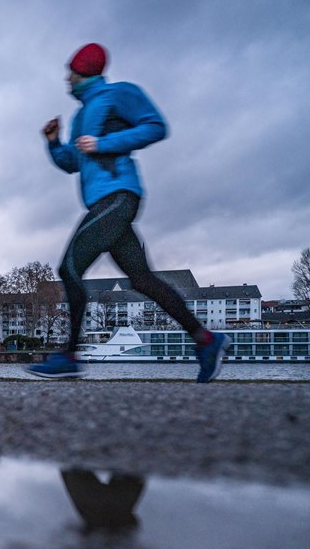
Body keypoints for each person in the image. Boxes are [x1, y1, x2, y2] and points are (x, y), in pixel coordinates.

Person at [29, 43, 230, 382]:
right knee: (142, 280)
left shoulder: (119, 94)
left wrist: (103, 143)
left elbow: (155, 126)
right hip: (103, 204)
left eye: (72, 72)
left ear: (86, 72)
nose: (67, 78)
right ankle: (206, 340)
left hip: (119, 196)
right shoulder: (81, 118)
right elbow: (73, 163)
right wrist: (53, 142)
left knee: (69, 268)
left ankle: (69, 355)